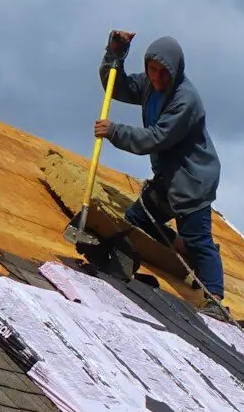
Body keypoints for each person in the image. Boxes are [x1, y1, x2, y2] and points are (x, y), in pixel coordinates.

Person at [94, 30, 224, 298]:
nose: (157, 77)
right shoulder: (150, 86)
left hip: (191, 181)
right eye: (152, 70)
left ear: (175, 70)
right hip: (168, 177)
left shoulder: (185, 99)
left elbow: (156, 138)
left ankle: (215, 298)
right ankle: (180, 246)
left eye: (163, 72)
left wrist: (114, 131)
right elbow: (115, 85)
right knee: (137, 219)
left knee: (200, 241)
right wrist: (115, 53)